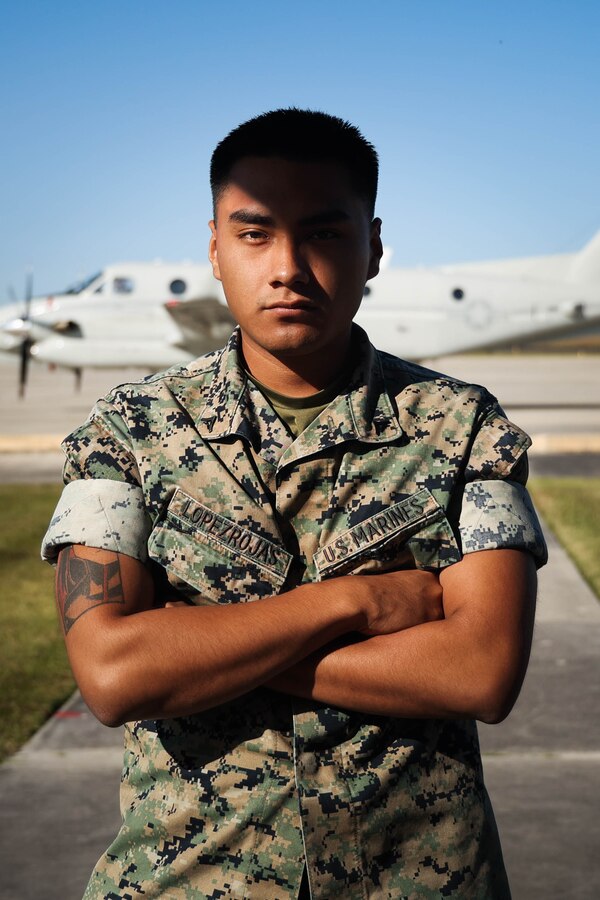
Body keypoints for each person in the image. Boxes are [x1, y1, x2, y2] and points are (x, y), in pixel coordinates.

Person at [42, 108, 547, 900]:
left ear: (373, 246)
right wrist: (359, 601)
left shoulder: (464, 428)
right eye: (253, 235)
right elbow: (112, 677)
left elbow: (481, 671)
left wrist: (197, 649)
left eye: (323, 234)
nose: (287, 267)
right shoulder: (128, 432)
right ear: (213, 247)